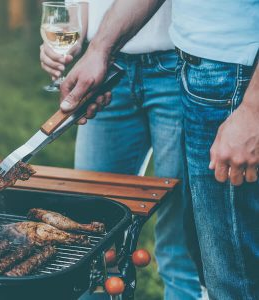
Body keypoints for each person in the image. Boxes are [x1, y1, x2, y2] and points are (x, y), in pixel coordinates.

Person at [55, 0, 259, 299]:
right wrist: (99, 49)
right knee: (220, 273)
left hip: (232, 75)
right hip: (199, 71)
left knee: (233, 276)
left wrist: (253, 109)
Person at [40, 1, 203, 299]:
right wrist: (74, 35)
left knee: (178, 234)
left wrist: (96, 49)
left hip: (179, 65)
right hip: (104, 68)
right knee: (92, 229)